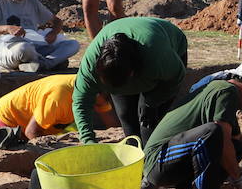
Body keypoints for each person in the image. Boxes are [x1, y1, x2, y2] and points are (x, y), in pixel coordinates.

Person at [143, 62, 242, 189]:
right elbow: (221, 139)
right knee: (213, 133)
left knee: (235, 146)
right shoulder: (227, 92)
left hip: (168, 161)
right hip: (158, 162)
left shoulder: (220, 90)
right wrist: (239, 177)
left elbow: (237, 140)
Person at [71, 16, 187, 146]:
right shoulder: (91, 66)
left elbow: (176, 77)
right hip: (125, 66)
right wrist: (88, 140)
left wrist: (153, 102)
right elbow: (81, 102)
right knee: (127, 116)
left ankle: (153, 158)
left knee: (148, 124)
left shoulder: (157, 58)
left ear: (131, 73)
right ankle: (136, 157)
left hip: (167, 40)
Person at [0, 74, 117, 148]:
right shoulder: (59, 97)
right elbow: (32, 132)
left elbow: (111, 122)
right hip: (8, 123)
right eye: (98, 102)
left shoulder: (94, 89)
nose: (98, 107)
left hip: (36, 126)